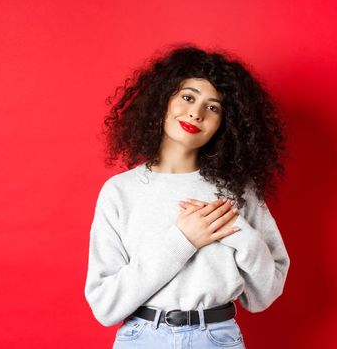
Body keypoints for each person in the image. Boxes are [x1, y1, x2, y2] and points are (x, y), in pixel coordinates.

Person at [84, 44, 291, 349]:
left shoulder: (237, 191)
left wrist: (237, 232)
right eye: (188, 97)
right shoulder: (120, 191)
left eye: (213, 107)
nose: (196, 112)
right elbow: (105, 307)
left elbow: (264, 294)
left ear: (225, 123)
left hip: (217, 338)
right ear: (163, 101)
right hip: (141, 339)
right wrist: (184, 239)